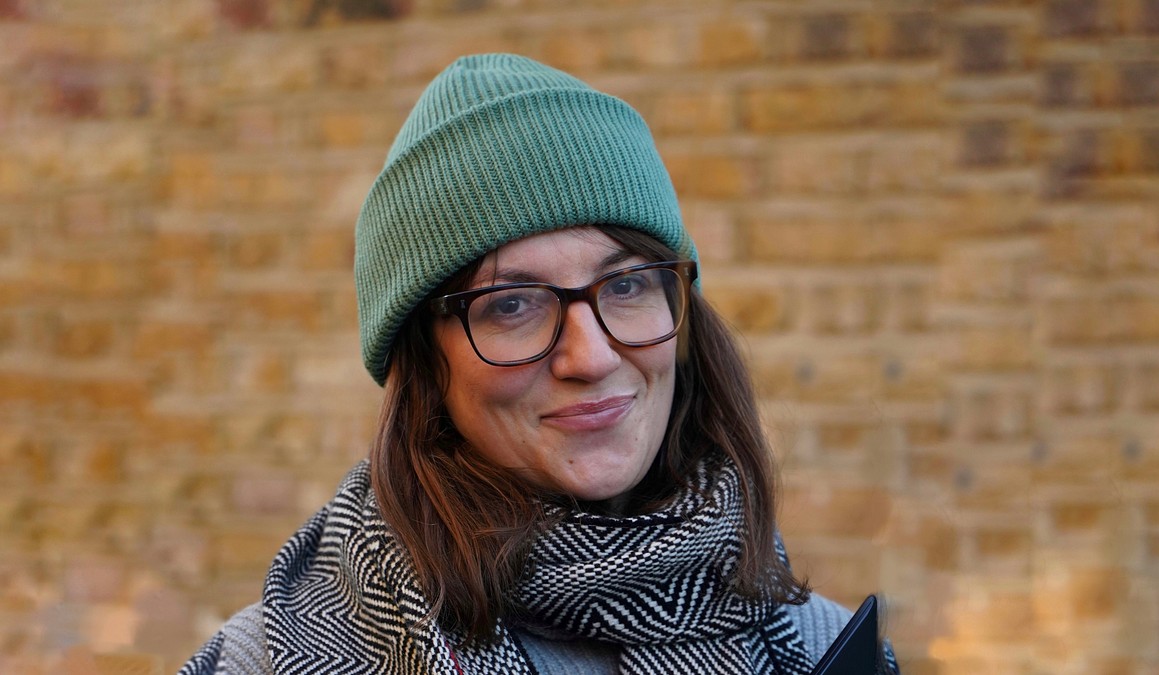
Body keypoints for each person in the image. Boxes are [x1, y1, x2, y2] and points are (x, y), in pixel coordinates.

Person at [178, 53, 898, 675]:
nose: (591, 355)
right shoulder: (265, 659)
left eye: (626, 285)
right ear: (425, 362)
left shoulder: (819, 647)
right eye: (513, 304)